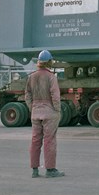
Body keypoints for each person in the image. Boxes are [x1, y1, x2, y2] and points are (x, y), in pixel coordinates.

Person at [25, 50, 65, 178]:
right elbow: (55, 96)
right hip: (49, 112)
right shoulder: (51, 77)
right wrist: (57, 110)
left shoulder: (31, 76)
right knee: (49, 140)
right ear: (49, 62)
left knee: (35, 140)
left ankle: (34, 170)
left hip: (36, 112)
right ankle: (50, 170)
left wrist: (33, 107)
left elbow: (27, 95)